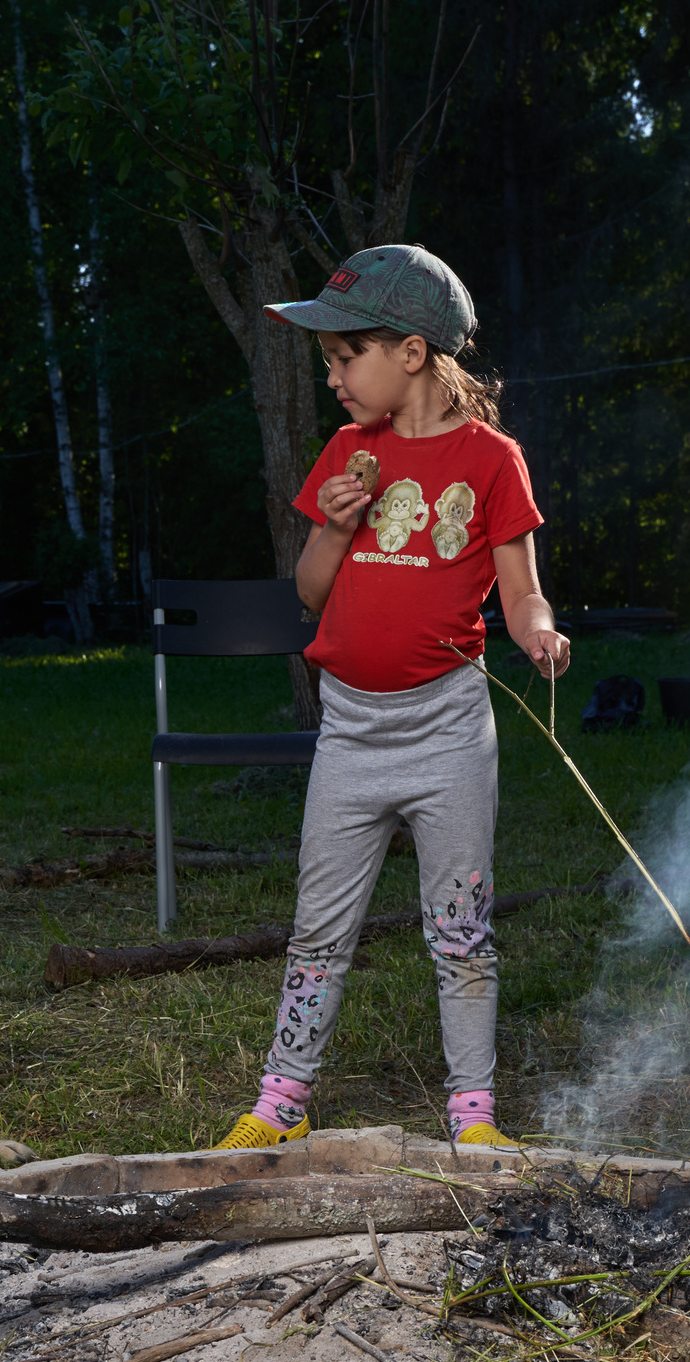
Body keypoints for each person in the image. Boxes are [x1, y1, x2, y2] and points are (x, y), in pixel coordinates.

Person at [216, 244, 572, 1151]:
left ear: (410, 352)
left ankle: (474, 1117)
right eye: (330, 362)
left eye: (345, 358)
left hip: (449, 731)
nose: (333, 378)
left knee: (460, 929)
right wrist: (335, 524)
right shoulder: (346, 453)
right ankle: (282, 1106)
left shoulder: (493, 461)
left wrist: (537, 631)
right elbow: (309, 591)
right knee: (317, 931)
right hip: (351, 733)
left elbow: (521, 588)